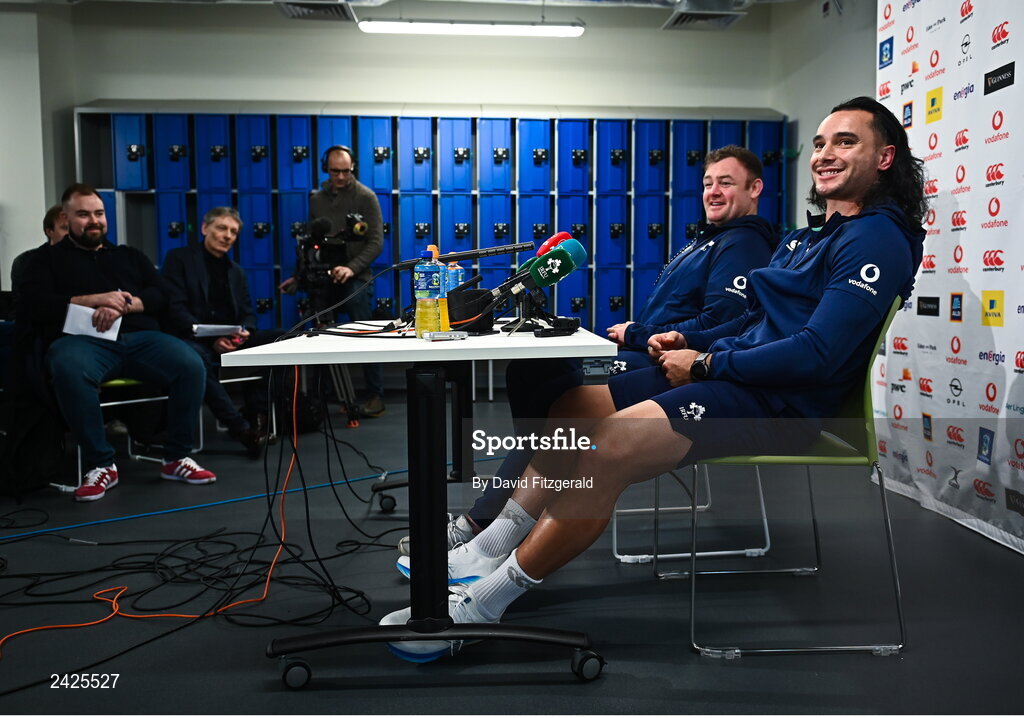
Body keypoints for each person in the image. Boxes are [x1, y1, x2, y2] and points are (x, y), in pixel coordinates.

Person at [381, 96, 927, 662]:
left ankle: (481, 607)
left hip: (783, 407)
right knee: (573, 410)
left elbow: (816, 353)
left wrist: (708, 362)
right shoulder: (812, 235)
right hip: (744, 383)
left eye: (845, 142)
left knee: (605, 446)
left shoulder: (877, 237)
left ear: (885, 158)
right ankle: (488, 548)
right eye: (819, 143)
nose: (825, 154)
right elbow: (754, 321)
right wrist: (691, 343)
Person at [410, 146, 779, 555]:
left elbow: (715, 326)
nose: (713, 191)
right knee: (532, 373)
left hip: (671, 362)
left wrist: (637, 333)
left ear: (755, 188)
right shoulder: (709, 239)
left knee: (553, 386)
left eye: (726, 183)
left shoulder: (743, 243)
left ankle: (490, 519)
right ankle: (525, 498)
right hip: (649, 350)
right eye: (708, 183)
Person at [17, 183, 216, 502]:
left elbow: (161, 294)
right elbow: (33, 304)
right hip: (83, 342)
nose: (93, 220)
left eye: (99, 213)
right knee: (68, 365)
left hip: (138, 338)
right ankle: (101, 464)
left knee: (191, 364)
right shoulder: (43, 261)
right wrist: (94, 300)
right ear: (66, 219)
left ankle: (176, 457)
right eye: (83, 214)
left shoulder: (128, 256)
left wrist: (123, 304)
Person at [161, 207, 280, 458]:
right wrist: (212, 339)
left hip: (230, 338)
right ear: (205, 229)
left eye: (233, 232)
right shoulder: (179, 258)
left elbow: (248, 313)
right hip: (193, 339)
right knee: (197, 358)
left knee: (280, 340)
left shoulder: (236, 271)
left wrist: (243, 333)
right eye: (221, 228)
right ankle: (241, 429)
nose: (227, 236)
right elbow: (174, 309)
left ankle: (256, 411)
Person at [278, 145, 386, 418]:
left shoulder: (366, 197)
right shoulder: (317, 199)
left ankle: (375, 395)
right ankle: (319, 397)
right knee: (320, 333)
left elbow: (375, 242)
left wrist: (351, 268)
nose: (340, 176)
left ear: (354, 168)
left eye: (346, 171)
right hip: (325, 275)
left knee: (367, 333)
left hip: (355, 276)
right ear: (325, 168)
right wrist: (299, 274)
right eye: (335, 171)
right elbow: (313, 242)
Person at [10, 204, 67, 300]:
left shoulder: (88, 258)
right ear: (49, 231)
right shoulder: (26, 261)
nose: (71, 234)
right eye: (65, 228)